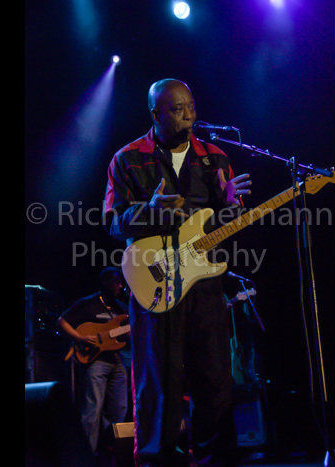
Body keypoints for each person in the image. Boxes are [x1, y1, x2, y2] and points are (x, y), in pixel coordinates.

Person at [104, 79, 253, 467]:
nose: (188, 114)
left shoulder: (214, 156)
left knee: (215, 379)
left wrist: (234, 209)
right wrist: (149, 209)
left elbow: (220, 220)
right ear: (156, 114)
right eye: (177, 108)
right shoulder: (128, 158)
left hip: (204, 286)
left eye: (191, 107)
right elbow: (112, 221)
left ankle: (215, 460)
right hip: (153, 283)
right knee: (158, 383)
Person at [57, 267, 130, 461]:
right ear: (105, 282)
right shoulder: (88, 303)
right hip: (95, 362)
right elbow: (62, 321)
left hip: (117, 361)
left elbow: (128, 335)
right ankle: (85, 457)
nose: (120, 286)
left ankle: (112, 452)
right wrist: (79, 338)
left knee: (119, 409)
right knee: (92, 410)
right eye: (117, 282)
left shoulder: (121, 308)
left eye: (122, 283)